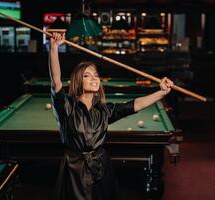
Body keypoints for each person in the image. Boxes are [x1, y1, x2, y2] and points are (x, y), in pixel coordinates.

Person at [49, 32, 174, 200]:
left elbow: (135, 105)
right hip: (74, 171)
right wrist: (54, 48)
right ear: (78, 80)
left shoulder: (104, 110)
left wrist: (161, 92)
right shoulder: (66, 107)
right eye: (87, 75)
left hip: (101, 168)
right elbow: (56, 80)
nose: (94, 78)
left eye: (96, 75)